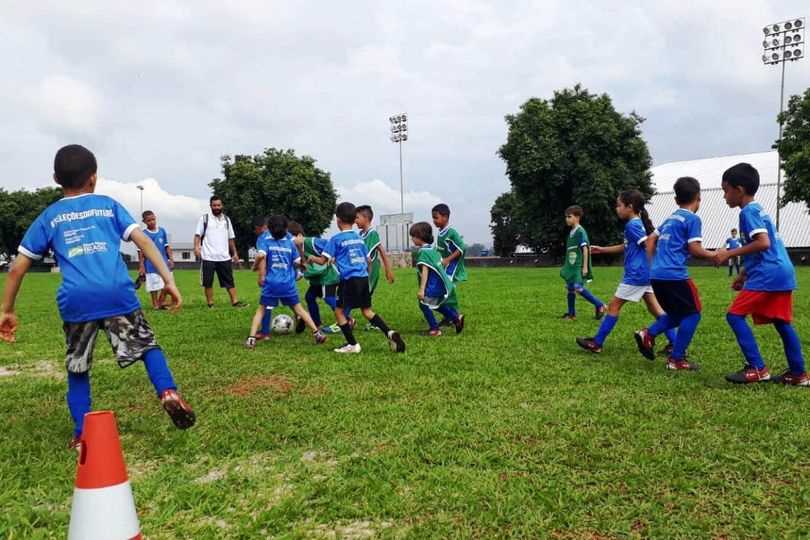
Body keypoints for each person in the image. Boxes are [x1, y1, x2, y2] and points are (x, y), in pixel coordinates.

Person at [0, 145, 195, 449]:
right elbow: (143, 240)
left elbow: (17, 268)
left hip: (77, 301)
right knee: (146, 346)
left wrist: (7, 310)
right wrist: (168, 279)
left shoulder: (49, 216)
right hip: (117, 293)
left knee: (78, 367)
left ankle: (82, 434)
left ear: (55, 178)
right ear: (94, 177)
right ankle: (168, 392)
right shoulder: (108, 205)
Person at [715, 163, 808, 385]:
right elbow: (764, 248)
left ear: (739, 189)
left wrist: (729, 254)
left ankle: (757, 368)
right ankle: (798, 374)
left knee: (734, 315)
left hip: (769, 274)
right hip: (781, 271)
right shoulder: (759, 210)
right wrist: (744, 274)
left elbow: (763, 243)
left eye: (725, 190)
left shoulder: (748, 212)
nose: (724, 196)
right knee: (781, 321)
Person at [576, 190, 677, 354]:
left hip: (636, 275)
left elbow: (648, 245)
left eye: (618, 205)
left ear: (629, 207)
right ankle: (675, 343)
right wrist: (603, 249)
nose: (617, 208)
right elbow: (628, 246)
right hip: (646, 274)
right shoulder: (636, 224)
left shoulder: (633, 225)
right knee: (656, 310)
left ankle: (597, 343)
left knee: (613, 306)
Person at [634, 177, 715, 371]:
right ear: (698, 198)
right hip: (675, 275)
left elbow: (651, 240)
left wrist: (655, 263)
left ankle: (648, 334)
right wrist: (715, 255)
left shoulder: (670, 219)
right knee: (693, 314)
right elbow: (695, 249)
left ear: (676, 200)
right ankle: (676, 359)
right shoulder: (692, 219)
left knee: (677, 314)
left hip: (657, 275)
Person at [308, 202, 406, 354]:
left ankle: (352, 344)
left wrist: (310, 258)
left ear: (338, 219)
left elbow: (322, 260)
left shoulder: (336, 239)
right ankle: (389, 332)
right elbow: (367, 260)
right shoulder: (358, 238)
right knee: (367, 311)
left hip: (349, 280)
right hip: (363, 279)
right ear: (354, 220)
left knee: (339, 312)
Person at [245, 215, 326, 349]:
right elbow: (301, 264)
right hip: (288, 284)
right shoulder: (290, 244)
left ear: (269, 229)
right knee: (299, 309)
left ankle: (251, 339)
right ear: (286, 229)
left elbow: (260, 256)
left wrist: (255, 267)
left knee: (261, 310)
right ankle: (317, 333)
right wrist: (300, 249)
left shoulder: (266, 241)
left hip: (271, 284)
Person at [410, 222, 464, 336]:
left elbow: (425, 271)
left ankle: (434, 329)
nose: (412, 239)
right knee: (438, 304)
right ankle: (456, 318)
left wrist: (422, 289)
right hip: (440, 285)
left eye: (413, 236)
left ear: (420, 236)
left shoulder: (423, 252)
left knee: (423, 303)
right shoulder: (433, 250)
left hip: (432, 285)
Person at [288, 221, 341, 334]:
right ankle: (317, 324)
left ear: (300, 236)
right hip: (316, 279)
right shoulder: (292, 250)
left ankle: (346, 320)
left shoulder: (311, 242)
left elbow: (329, 245)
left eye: (292, 239)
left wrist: (333, 256)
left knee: (329, 298)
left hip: (328, 276)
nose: (291, 243)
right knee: (309, 297)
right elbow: (300, 268)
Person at [194, 196, 247, 308]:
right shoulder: (204, 219)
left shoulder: (227, 220)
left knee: (229, 281)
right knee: (208, 282)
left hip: (224, 257)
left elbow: (230, 238)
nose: (217, 207)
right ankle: (210, 304)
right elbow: (198, 235)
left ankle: (235, 302)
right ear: (210, 206)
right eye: (214, 205)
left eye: (218, 205)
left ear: (222, 206)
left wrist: (235, 253)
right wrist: (196, 248)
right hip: (208, 256)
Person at [559, 205, 606, 321]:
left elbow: (585, 249)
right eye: (566, 217)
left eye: (569, 217)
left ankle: (599, 305)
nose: (567, 219)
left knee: (577, 287)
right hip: (571, 266)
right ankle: (571, 314)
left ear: (577, 217)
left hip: (578, 266)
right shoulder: (571, 233)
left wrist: (585, 267)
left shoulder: (581, 231)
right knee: (570, 288)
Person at [354, 205, 395, 330]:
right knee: (363, 299)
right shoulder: (361, 234)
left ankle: (349, 320)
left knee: (363, 296)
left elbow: (381, 252)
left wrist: (388, 270)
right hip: (363, 270)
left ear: (366, 218)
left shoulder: (372, 234)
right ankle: (373, 322)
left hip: (371, 270)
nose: (355, 220)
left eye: (357, 217)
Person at [138, 210, 174, 310]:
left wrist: (171, 259)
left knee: (166, 284)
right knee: (153, 286)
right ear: (144, 221)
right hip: (150, 264)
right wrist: (141, 266)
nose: (152, 222)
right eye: (149, 220)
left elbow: (167, 247)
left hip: (163, 263)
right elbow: (141, 252)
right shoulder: (143, 234)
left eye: (153, 219)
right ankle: (155, 304)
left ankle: (161, 302)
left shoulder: (162, 231)